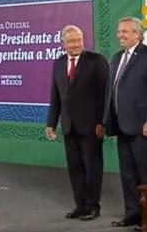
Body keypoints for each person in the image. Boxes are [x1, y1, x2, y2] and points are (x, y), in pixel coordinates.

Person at [104, 17, 147, 231]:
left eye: (125, 32)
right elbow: (111, 93)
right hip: (122, 126)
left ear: (138, 34)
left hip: (143, 127)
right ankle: (132, 213)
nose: (120, 35)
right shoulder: (116, 57)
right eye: (119, 31)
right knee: (128, 173)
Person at [46, 25, 109, 221]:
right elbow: (56, 96)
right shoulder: (58, 64)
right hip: (68, 125)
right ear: (63, 43)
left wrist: (102, 122)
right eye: (71, 41)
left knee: (92, 167)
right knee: (75, 168)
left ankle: (93, 206)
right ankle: (80, 205)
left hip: (91, 126)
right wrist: (51, 123)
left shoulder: (96, 61)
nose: (75, 45)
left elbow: (105, 95)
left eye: (78, 40)